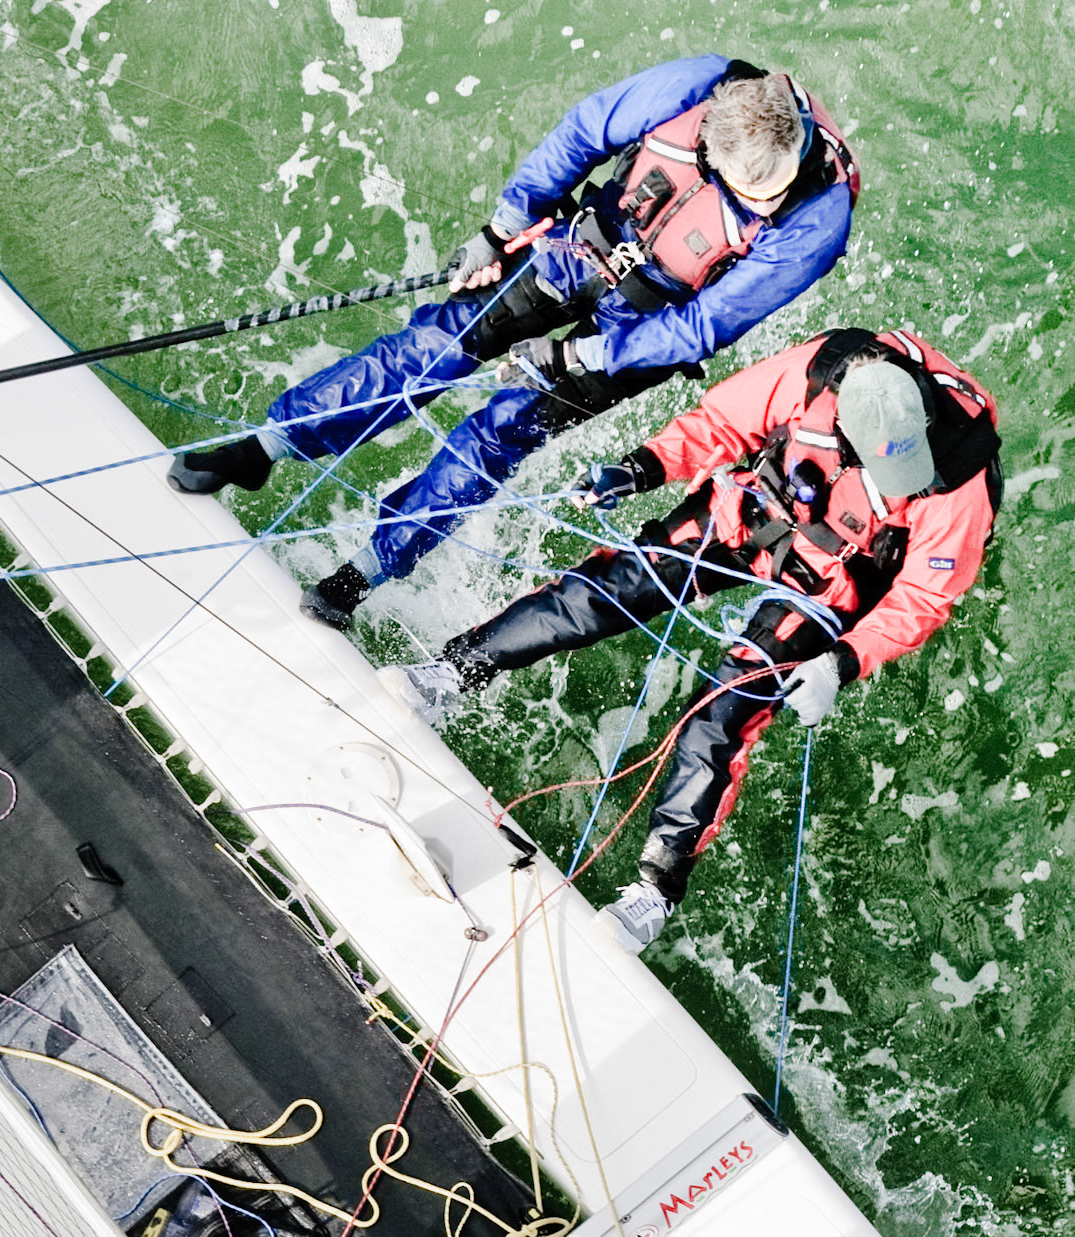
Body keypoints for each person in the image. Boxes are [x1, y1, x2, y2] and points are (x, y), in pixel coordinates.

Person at [169, 56, 858, 629]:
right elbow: (585, 131)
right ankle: (264, 448)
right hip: (574, 249)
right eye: (748, 187)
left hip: (644, 329)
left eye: (769, 188)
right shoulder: (702, 83)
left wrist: (579, 356)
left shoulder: (818, 215)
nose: (762, 201)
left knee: (499, 433)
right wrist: (503, 227)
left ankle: (363, 574)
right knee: (433, 347)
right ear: (709, 137)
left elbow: (705, 325)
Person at [383, 326, 1002, 950]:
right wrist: (640, 468)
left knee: (721, 712)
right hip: (757, 508)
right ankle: (450, 673)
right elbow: (720, 423)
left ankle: (656, 888)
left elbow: (923, 597)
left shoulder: (958, 478)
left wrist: (840, 665)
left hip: (832, 580)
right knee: (606, 591)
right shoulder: (817, 371)